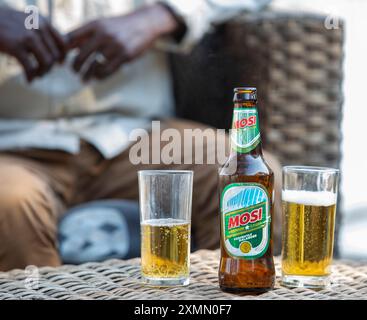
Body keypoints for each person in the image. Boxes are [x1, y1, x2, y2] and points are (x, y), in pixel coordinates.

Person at [0, 0, 280, 271]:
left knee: (247, 178)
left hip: (137, 138)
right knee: (10, 201)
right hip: (12, 145)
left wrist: (165, 13)